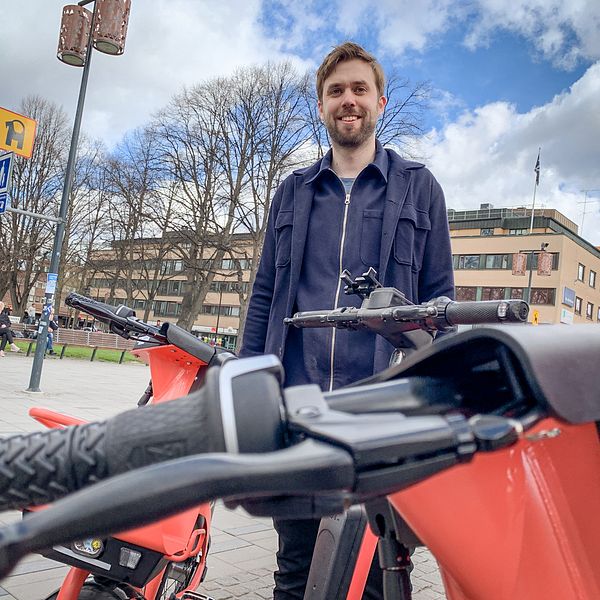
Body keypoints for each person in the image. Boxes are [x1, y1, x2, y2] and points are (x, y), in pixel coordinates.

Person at [240, 42, 454, 599]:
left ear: (380, 101)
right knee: (296, 572)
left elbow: (440, 302)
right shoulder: (292, 192)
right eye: (336, 91)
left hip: (383, 416)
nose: (348, 100)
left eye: (359, 89)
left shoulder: (420, 187)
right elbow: (265, 293)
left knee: (382, 578)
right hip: (301, 410)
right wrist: (248, 388)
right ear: (321, 105)